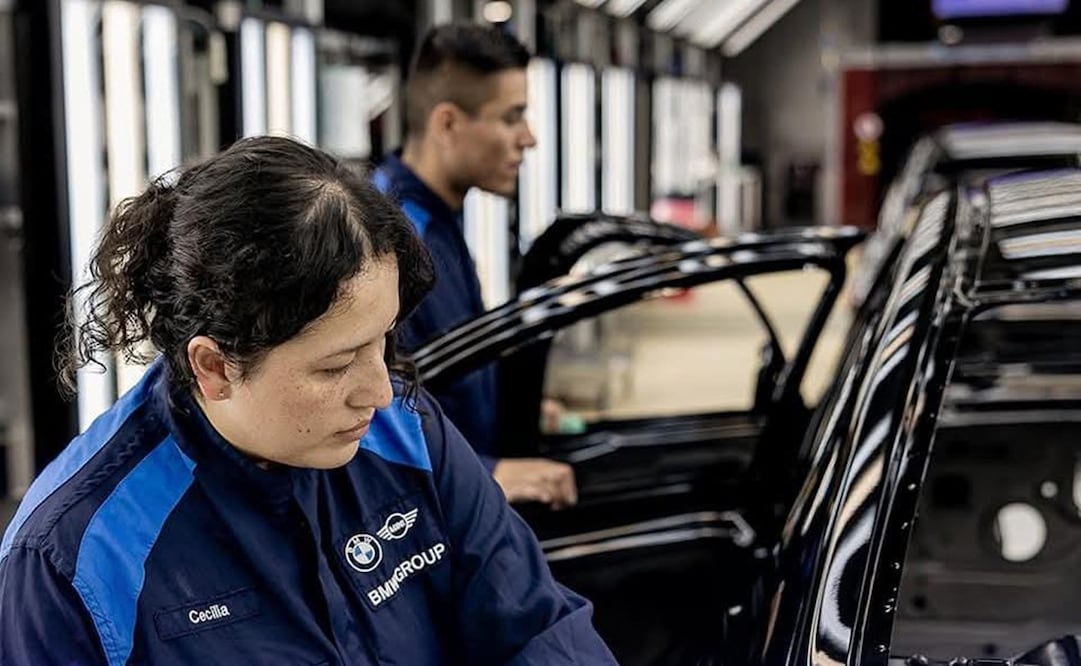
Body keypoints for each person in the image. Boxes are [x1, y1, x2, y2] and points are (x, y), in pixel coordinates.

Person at [0, 137, 616, 665]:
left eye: (384, 341)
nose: (380, 391)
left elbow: (536, 625)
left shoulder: (405, 432)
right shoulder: (76, 559)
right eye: (336, 365)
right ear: (214, 367)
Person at [372, 23, 577, 509]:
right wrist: (488, 472)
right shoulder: (389, 242)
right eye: (512, 117)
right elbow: (364, 407)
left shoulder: (432, 218)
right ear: (447, 124)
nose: (529, 138)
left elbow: (440, 365)